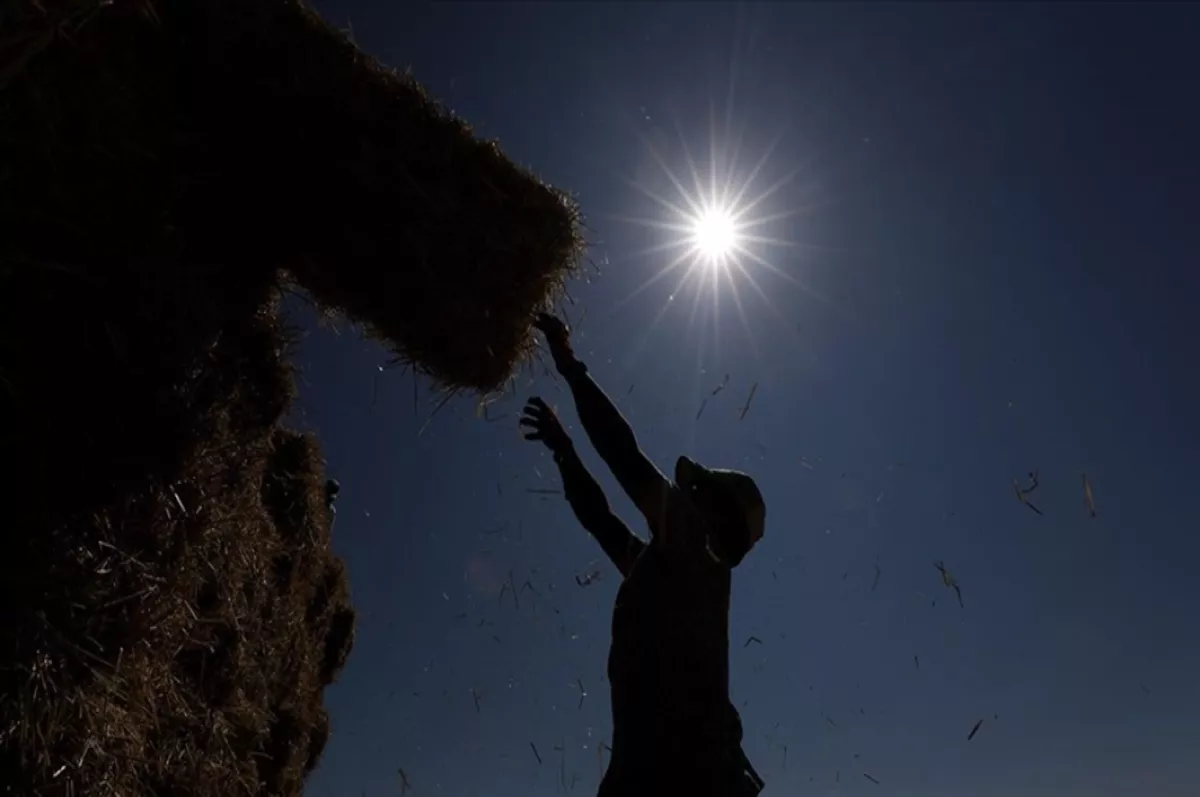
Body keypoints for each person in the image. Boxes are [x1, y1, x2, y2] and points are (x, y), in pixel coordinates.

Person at [519, 313, 767, 797]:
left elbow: (623, 456)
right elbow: (603, 523)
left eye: (699, 493)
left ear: (719, 515)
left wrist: (569, 366)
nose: (685, 496)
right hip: (655, 772)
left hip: (689, 779)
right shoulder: (670, 572)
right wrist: (565, 451)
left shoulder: (697, 550)